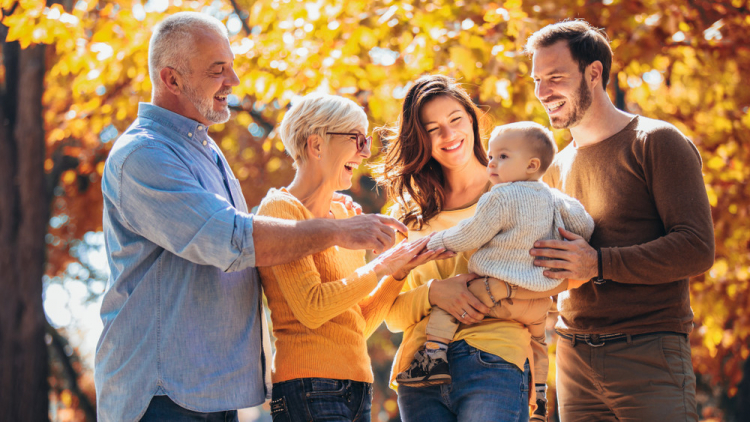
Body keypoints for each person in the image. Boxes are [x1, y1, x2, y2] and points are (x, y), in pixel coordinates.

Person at [95, 13, 407, 422]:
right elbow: (231, 239)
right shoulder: (144, 155)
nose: (234, 81)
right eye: (217, 70)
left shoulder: (208, 154)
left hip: (214, 393)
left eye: (232, 66)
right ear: (171, 80)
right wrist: (336, 231)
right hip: (163, 393)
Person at [525, 20, 715, 421]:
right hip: (573, 358)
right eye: (538, 80)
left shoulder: (656, 141)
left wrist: (597, 263)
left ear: (593, 73)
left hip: (649, 353)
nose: (543, 93)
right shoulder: (558, 166)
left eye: (555, 77)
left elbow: (695, 247)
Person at [376, 75, 582, 422]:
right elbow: (393, 316)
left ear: (472, 120)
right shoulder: (406, 216)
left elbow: (563, 273)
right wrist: (434, 293)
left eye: (455, 120)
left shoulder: (521, 191)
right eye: (432, 128)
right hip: (420, 372)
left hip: (495, 359)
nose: (448, 134)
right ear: (420, 139)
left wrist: (490, 290)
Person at [255, 93, 448, 422]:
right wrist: (381, 266)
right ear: (316, 145)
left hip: (358, 386)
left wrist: (397, 273)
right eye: (357, 139)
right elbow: (312, 309)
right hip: (307, 385)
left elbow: (357, 323)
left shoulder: (346, 214)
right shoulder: (280, 210)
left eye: (367, 139)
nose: (366, 150)